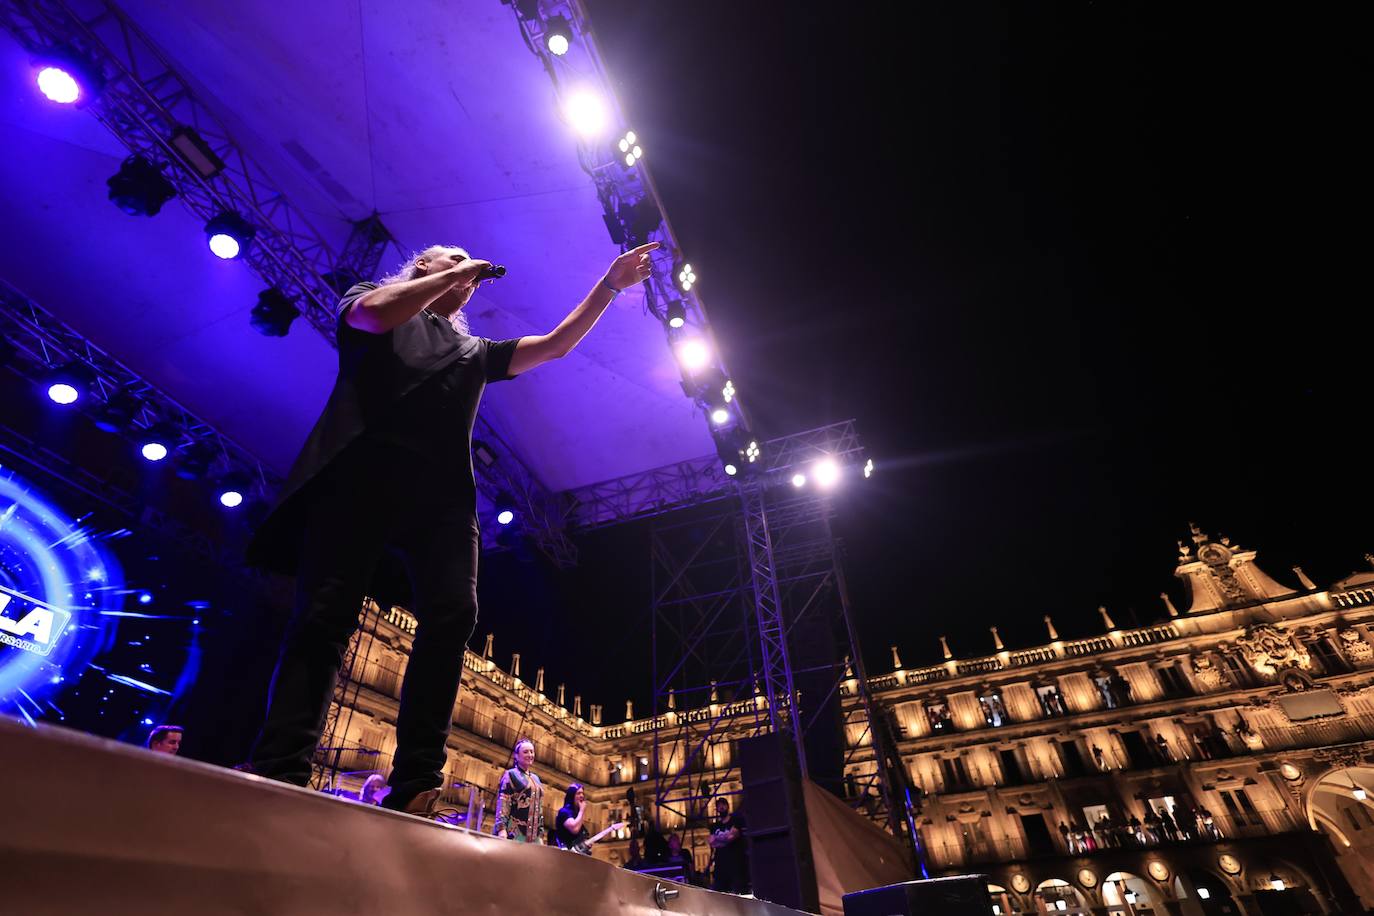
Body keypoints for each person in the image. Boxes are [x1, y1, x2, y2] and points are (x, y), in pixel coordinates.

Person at [243, 241, 658, 815]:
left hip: (440, 497)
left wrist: (609, 284)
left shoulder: (473, 350)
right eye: (453, 262)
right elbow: (374, 315)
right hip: (359, 475)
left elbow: (556, 345)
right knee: (323, 617)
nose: (469, 277)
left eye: (471, 273)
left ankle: (415, 776)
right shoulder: (370, 301)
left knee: (454, 612)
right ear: (423, 267)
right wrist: (461, 270)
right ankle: (281, 764)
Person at [494, 738, 544, 843]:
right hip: (515, 832)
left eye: (532, 752)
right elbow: (504, 802)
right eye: (525, 752)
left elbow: (539, 809)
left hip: (534, 836)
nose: (530, 755)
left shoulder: (536, 779)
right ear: (516, 756)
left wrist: (541, 833)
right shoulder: (511, 774)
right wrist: (501, 828)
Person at [708, 797, 749, 894]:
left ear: (727, 806)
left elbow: (732, 837)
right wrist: (725, 837)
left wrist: (719, 839)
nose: (721, 807)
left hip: (735, 862)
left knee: (738, 890)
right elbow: (712, 842)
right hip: (721, 864)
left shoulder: (735, 820)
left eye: (723, 805)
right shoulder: (715, 826)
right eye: (719, 806)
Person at [555, 783, 591, 852]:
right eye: (578, 793)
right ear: (572, 796)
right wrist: (582, 810)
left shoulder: (576, 815)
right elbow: (574, 829)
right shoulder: (564, 812)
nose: (582, 796)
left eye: (582, 793)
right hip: (565, 853)